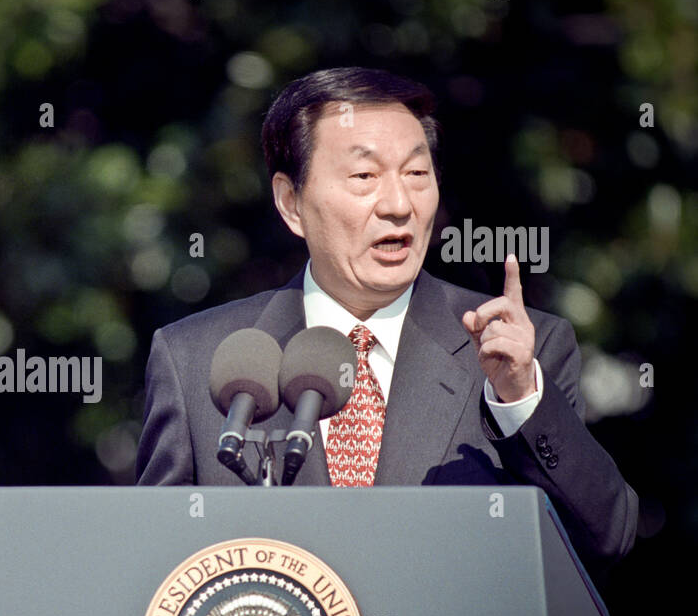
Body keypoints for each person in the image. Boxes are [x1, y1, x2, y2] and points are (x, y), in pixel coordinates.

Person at [136, 67, 636, 573]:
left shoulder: (519, 354)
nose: (399, 205)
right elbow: (154, 572)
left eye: (417, 175)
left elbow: (606, 536)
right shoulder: (199, 360)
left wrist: (520, 400)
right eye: (364, 177)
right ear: (291, 203)